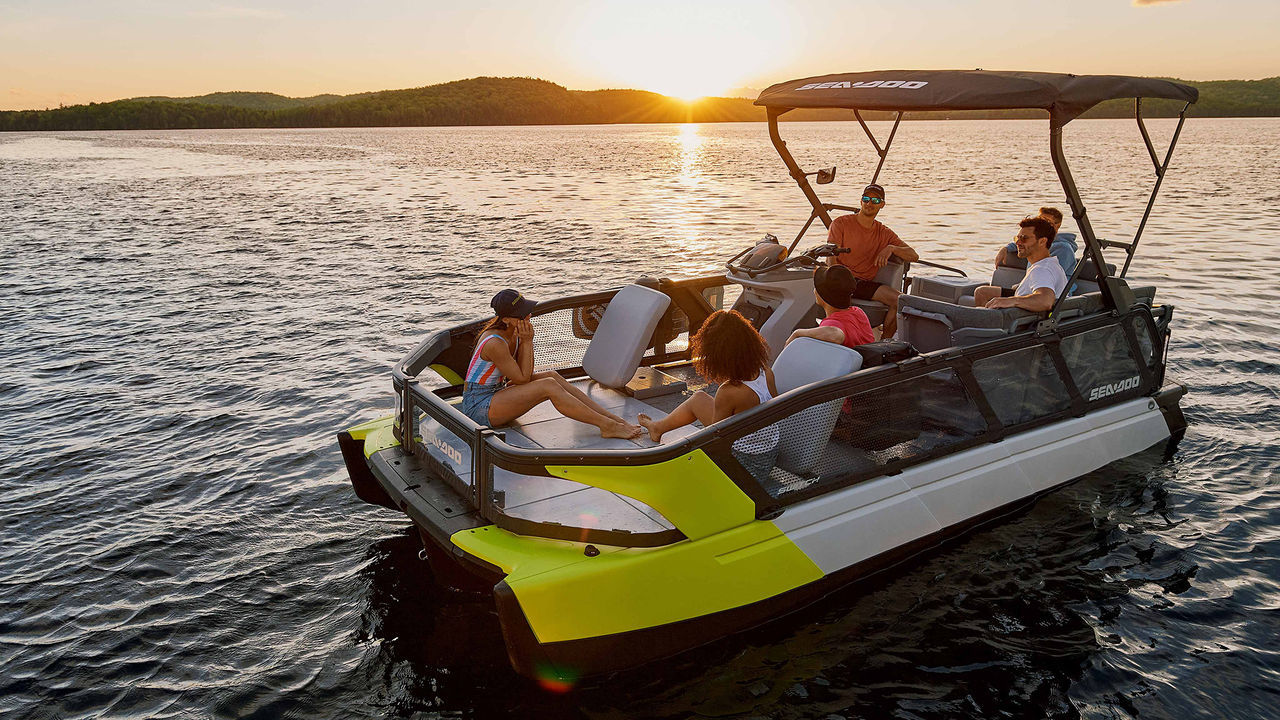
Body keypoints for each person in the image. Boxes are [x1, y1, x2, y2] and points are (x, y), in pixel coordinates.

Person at [460, 289, 642, 439]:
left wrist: (523, 341)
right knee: (547, 386)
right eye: (521, 315)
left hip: (496, 392)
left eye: (527, 310)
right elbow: (523, 378)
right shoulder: (495, 343)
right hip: (479, 406)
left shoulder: (513, 332)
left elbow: (522, 373)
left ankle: (613, 419)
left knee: (551, 376)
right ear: (506, 319)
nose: (528, 316)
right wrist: (527, 342)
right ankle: (607, 426)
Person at [638, 310, 779, 481]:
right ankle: (658, 427)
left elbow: (715, 436)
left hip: (744, 465)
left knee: (676, 466)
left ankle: (658, 429)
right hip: (768, 455)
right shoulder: (765, 371)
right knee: (699, 398)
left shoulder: (729, 392)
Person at [826, 183, 918, 340]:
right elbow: (831, 259)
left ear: (882, 205)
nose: (869, 203)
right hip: (840, 279)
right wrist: (836, 285)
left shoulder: (884, 233)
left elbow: (913, 255)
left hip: (862, 283)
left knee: (900, 300)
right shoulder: (840, 223)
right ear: (861, 201)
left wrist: (891, 248)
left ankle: (885, 345)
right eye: (866, 199)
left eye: (875, 201)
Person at [973, 217, 1068, 312]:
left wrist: (1012, 301)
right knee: (981, 292)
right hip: (1020, 313)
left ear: (1042, 241)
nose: (1018, 242)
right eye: (1017, 238)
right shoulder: (1050, 264)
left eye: (1024, 238)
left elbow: (1045, 301)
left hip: (1017, 323)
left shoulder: (1041, 270)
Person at [785, 264, 875, 349]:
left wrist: (797, 333)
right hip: (868, 364)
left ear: (823, 296)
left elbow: (835, 334)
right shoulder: (858, 311)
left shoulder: (833, 324)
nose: (814, 290)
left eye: (816, 287)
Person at [994, 206, 1078, 276]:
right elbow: (1024, 242)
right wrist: (1005, 249)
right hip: (1031, 288)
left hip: (1054, 294)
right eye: (1039, 219)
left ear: (1057, 226)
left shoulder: (1064, 250)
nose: (1040, 224)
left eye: (1046, 221)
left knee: (984, 292)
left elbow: (1049, 281)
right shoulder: (1036, 244)